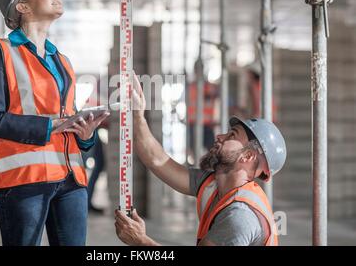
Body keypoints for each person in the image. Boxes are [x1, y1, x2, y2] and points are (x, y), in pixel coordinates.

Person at [0, 0, 109, 246]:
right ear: (22, 7)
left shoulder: (62, 60)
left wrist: (86, 135)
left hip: (71, 178)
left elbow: (66, 119)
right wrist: (51, 126)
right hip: (25, 180)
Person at [114, 73, 286, 246]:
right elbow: (156, 160)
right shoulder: (214, 184)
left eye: (231, 135)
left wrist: (140, 241)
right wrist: (137, 115)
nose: (220, 136)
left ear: (247, 156)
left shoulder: (240, 216)